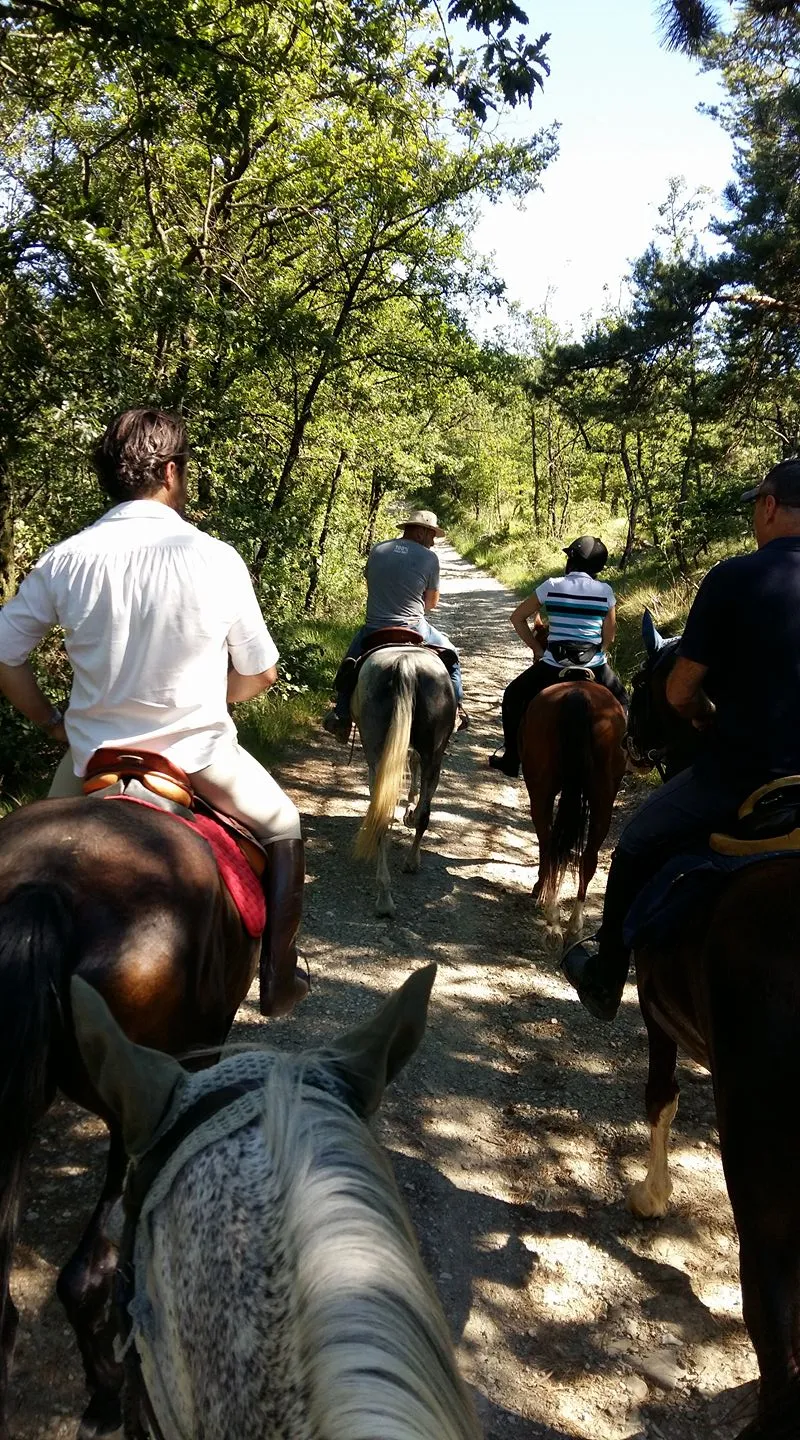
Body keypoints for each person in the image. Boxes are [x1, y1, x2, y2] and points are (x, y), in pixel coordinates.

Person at [0, 407, 307, 1018]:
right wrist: (216, 696)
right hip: (197, 758)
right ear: (169, 472)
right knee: (284, 825)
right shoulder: (215, 557)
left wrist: (51, 722)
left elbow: (5, 657)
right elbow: (261, 673)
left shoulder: (65, 558)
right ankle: (276, 977)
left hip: (91, 762)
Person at [563, 458, 800, 1021]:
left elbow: (679, 689)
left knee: (636, 843)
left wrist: (701, 714)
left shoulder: (736, 577)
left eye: (755, 506)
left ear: (769, 506)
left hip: (744, 774)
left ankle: (606, 976)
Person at [322, 508, 468, 741]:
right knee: (452, 656)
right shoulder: (429, 558)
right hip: (414, 628)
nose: (433, 542)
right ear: (421, 532)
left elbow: (372, 586)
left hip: (374, 628)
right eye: (432, 535)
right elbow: (431, 603)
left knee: (348, 665)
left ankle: (341, 715)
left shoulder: (378, 549)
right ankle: (456, 710)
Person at [488, 535, 627, 779]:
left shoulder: (551, 585)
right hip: (594, 667)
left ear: (571, 561)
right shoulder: (606, 592)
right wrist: (599, 652)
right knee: (624, 701)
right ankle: (626, 756)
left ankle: (511, 758)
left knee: (513, 695)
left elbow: (517, 618)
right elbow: (609, 636)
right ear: (597, 567)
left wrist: (538, 649)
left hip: (553, 665)